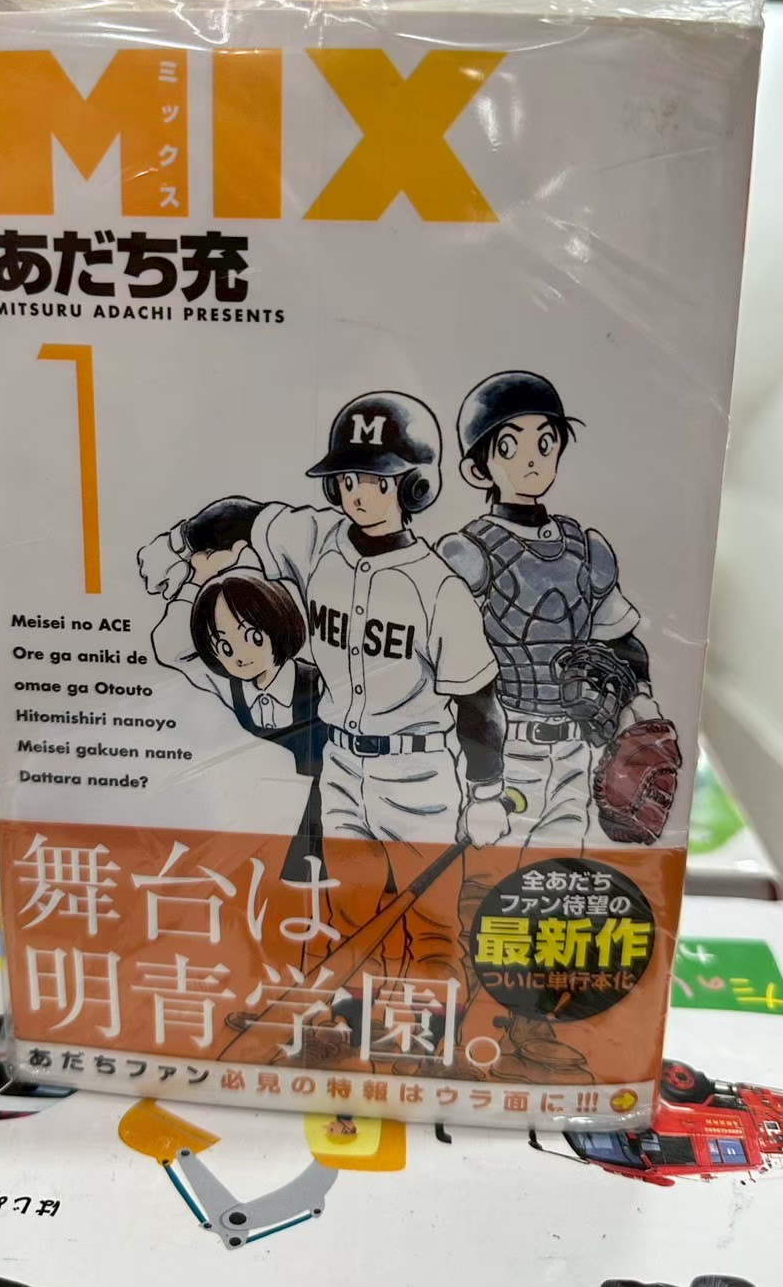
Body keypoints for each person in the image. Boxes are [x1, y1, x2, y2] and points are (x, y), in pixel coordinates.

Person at [149, 390, 510, 1067]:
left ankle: (426, 1046)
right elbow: (239, 516)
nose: (358, 493)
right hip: (343, 765)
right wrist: (182, 544)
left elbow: (478, 700)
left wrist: (486, 792)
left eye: (377, 478)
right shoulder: (313, 539)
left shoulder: (438, 587)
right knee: (349, 913)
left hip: (418, 770)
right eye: (347, 478)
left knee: (431, 922)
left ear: (414, 484)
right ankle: (358, 1038)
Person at [437, 370, 677, 847]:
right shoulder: (468, 554)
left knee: (557, 865)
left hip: (575, 745)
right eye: (510, 446)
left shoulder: (585, 549)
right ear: (478, 470)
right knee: (484, 876)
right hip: (501, 746)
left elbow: (620, 637)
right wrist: (483, 790)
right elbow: (462, 675)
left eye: (545, 443)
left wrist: (639, 697)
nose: (532, 458)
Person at [150, 564, 326, 884]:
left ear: (278, 624)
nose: (240, 656)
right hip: (255, 825)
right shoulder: (230, 688)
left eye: (253, 637)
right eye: (225, 646)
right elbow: (169, 649)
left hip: (318, 822)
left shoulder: (319, 684)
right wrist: (198, 579)